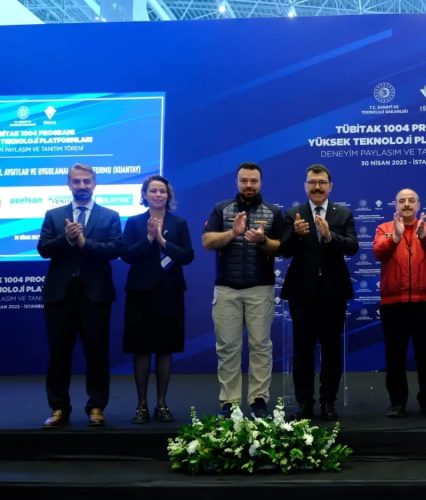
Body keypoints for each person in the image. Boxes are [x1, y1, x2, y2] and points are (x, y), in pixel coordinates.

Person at [37, 163, 124, 428]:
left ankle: (96, 407)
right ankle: (58, 408)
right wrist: (66, 238)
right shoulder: (54, 215)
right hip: (59, 296)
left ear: (94, 183)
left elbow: (115, 249)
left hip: (94, 296)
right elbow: (43, 249)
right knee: (59, 354)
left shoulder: (110, 216)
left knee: (97, 353)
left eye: (87, 181)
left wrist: (85, 243)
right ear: (69, 184)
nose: (82, 186)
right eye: (77, 181)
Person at [202, 162, 283, 419]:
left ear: (261, 183)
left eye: (253, 181)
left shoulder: (273, 212)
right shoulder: (221, 209)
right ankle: (229, 402)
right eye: (244, 180)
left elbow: (281, 247)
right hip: (227, 289)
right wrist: (232, 233)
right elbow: (207, 241)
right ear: (237, 182)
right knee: (227, 347)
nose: (249, 185)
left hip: (261, 288)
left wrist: (262, 240)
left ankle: (259, 400)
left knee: (261, 346)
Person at [280, 164, 359, 421]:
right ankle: (304, 403)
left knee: (332, 349)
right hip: (301, 294)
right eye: (312, 182)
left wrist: (329, 236)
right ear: (305, 186)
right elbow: (283, 250)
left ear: (330, 186)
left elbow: (353, 246)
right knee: (302, 350)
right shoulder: (293, 214)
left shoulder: (343, 214)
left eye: (322, 182)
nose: (317, 187)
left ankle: (328, 401)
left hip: (333, 293)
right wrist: (295, 234)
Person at [121, 175, 194, 423]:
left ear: (168, 195)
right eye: (153, 191)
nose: (158, 195)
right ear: (144, 195)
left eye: (162, 191)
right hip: (140, 294)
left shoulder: (178, 223)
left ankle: (161, 404)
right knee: (141, 349)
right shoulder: (134, 222)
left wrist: (163, 241)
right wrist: (149, 239)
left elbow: (187, 256)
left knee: (165, 349)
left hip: (170, 294)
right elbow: (127, 255)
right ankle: (141, 405)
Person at [373, 188, 426, 418]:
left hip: (425, 303)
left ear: (418, 205)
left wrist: (424, 235)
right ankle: (397, 402)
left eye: (411, 200)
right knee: (395, 356)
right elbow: (379, 253)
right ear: (395, 205)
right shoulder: (384, 228)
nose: (406, 204)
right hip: (393, 303)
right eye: (402, 201)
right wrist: (395, 237)